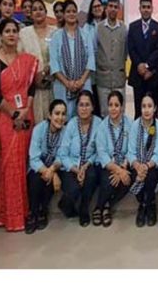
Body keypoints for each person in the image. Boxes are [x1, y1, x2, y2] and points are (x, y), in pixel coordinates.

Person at [0, 18, 38, 232]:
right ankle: (10, 216)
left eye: (14, 31)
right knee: (9, 167)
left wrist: (26, 110)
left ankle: (25, 211)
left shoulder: (27, 60)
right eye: (6, 31)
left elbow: (32, 87)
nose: (11, 35)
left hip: (26, 116)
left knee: (24, 163)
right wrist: (14, 114)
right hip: (5, 118)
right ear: (0, 36)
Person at [58, 91, 102, 227]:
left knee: (92, 176)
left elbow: (98, 151)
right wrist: (76, 169)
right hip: (70, 166)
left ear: (93, 107)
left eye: (87, 105)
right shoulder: (71, 124)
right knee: (74, 188)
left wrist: (86, 165)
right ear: (77, 107)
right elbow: (63, 153)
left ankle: (84, 209)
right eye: (81, 105)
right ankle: (66, 206)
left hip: (90, 164)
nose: (84, 108)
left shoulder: (99, 123)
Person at [49, 0, 96, 118]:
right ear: (63, 15)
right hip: (62, 85)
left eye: (74, 11)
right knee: (63, 117)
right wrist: (67, 83)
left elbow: (91, 59)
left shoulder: (86, 35)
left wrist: (81, 81)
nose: (71, 14)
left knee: (84, 117)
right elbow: (54, 64)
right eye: (68, 11)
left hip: (83, 83)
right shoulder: (56, 37)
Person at [25, 100, 66, 234]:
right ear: (49, 115)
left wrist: (53, 170)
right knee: (36, 178)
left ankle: (43, 210)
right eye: (57, 113)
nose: (60, 117)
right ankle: (33, 212)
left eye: (63, 114)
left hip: (55, 167)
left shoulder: (65, 132)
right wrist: (49, 172)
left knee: (50, 180)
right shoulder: (39, 129)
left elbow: (62, 156)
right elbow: (34, 157)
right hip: (38, 167)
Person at [95, 91, 132, 227]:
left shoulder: (129, 124)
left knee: (128, 180)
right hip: (108, 165)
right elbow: (102, 153)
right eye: (110, 105)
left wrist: (123, 168)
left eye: (116, 105)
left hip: (124, 163)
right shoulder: (102, 127)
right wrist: (117, 170)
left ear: (122, 107)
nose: (113, 108)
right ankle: (100, 207)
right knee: (108, 180)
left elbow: (131, 149)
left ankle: (106, 206)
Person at [127, 94, 158, 228]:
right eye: (144, 106)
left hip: (152, 165)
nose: (147, 110)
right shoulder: (135, 126)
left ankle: (150, 204)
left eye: (149, 106)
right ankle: (142, 204)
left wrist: (146, 166)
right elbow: (130, 152)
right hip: (137, 164)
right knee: (134, 176)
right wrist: (137, 166)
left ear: (155, 108)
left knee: (151, 176)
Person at [19, 0, 56, 124]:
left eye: (41, 9)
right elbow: (20, 60)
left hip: (54, 84)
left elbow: (60, 56)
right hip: (33, 88)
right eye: (34, 9)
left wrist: (47, 72)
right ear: (30, 14)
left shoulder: (55, 32)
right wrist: (35, 77)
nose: (38, 12)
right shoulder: (24, 33)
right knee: (37, 124)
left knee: (55, 121)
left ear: (46, 12)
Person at [128, 0, 158, 118]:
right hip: (137, 76)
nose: (146, 9)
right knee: (139, 111)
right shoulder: (132, 27)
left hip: (152, 75)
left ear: (152, 9)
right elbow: (131, 49)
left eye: (148, 7)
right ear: (139, 8)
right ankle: (138, 136)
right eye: (144, 7)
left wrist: (147, 66)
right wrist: (139, 65)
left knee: (153, 110)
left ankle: (152, 136)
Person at [95, 0, 128, 118]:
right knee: (105, 113)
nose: (113, 9)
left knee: (120, 112)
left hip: (119, 78)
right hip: (103, 79)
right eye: (110, 6)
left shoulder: (124, 28)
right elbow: (94, 51)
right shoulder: (98, 28)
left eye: (115, 7)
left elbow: (125, 53)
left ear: (119, 9)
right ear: (106, 8)